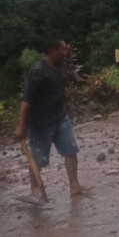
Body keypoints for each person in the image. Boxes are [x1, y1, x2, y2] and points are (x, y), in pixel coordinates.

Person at [15, 39, 91, 203]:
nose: (65, 51)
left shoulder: (57, 69)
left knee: (71, 151)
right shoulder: (38, 72)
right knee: (38, 159)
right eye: (62, 49)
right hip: (41, 124)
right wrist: (22, 126)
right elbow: (26, 101)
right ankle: (35, 191)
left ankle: (74, 185)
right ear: (52, 50)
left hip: (60, 117)